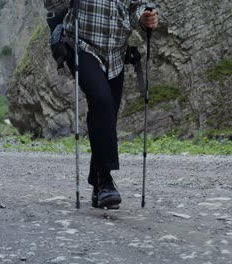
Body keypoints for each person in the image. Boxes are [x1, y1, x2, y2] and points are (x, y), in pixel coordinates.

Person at [43, 0, 159, 209]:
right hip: (81, 45)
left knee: (108, 114)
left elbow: (136, 7)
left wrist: (144, 18)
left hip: (116, 52)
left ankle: (98, 186)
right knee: (101, 98)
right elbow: (53, 5)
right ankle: (105, 180)